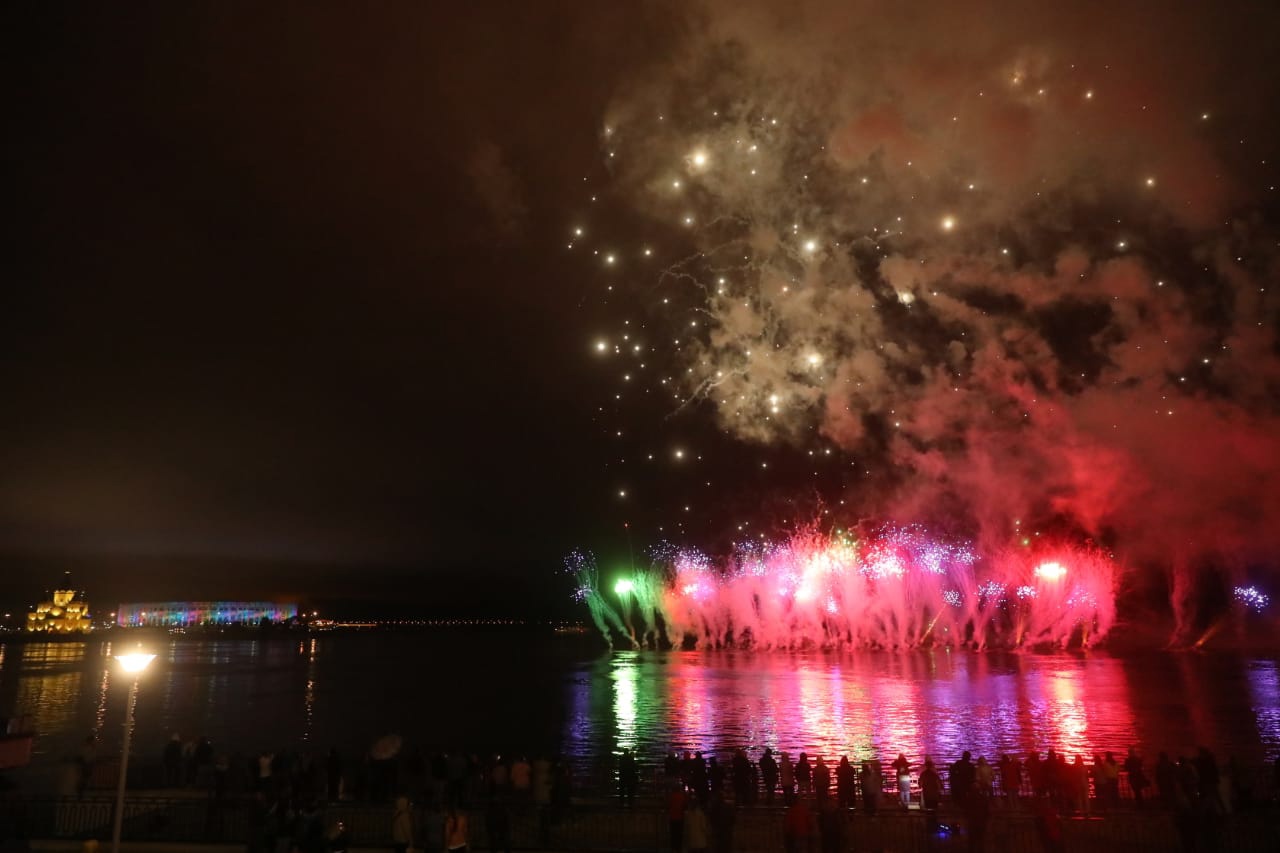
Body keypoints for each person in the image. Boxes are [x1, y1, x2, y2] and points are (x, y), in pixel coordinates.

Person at [920, 759, 942, 832]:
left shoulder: (923, 774)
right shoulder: (935, 775)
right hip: (934, 795)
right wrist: (939, 793)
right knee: (934, 811)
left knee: (928, 811)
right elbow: (939, 785)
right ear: (932, 766)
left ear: (926, 766)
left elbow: (920, 784)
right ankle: (934, 826)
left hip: (927, 795)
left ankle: (928, 827)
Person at [668, 782, 688, 851]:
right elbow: (685, 805)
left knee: (673, 834)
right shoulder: (682, 796)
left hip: (672, 817)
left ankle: (673, 848)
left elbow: (668, 805)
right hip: (680, 817)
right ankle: (678, 848)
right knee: (679, 834)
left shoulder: (671, 796)